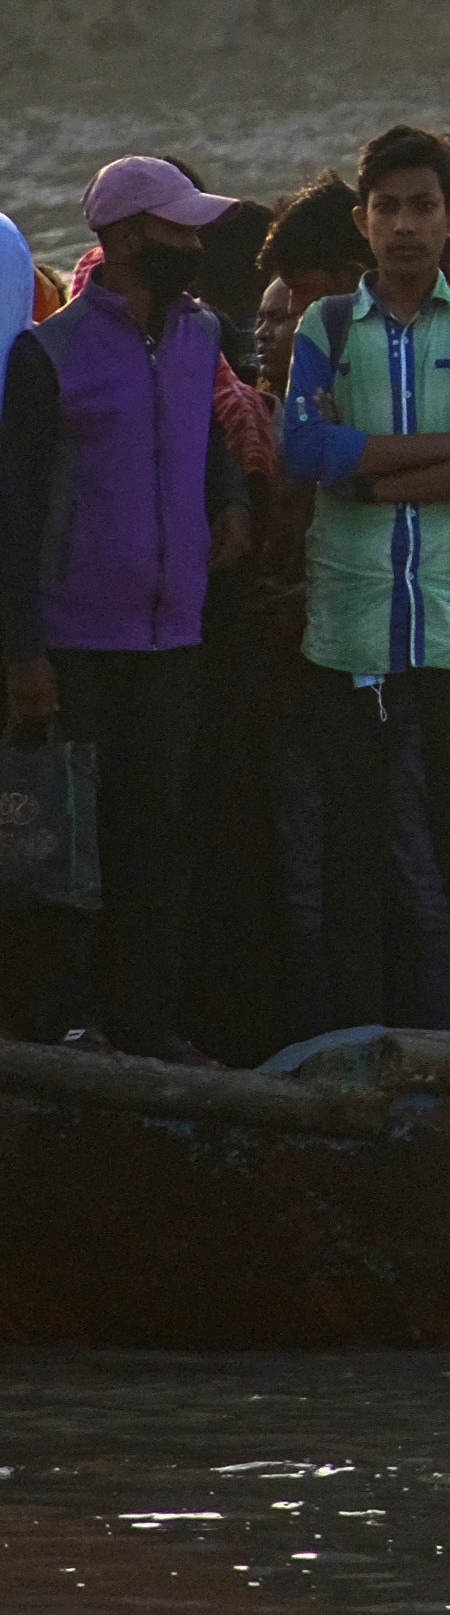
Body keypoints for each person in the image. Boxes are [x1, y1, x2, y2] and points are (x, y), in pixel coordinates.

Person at [284, 125, 450, 1035]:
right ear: (363, 219)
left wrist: (372, 478)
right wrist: (440, 448)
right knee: (354, 851)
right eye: (386, 207)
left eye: (423, 206)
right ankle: (359, 1043)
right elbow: (304, 448)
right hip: (350, 626)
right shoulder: (326, 326)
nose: (404, 225)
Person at [0, 157, 249, 1056]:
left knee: (159, 835)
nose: (194, 242)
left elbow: (209, 439)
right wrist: (22, 650)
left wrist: (231, 504)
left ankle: (145, 1021)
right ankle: (59, 1023)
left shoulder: (200, 333)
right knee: (65, 841)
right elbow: (15, 507)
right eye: (178, 229)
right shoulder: (49, 352)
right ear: (129, 237)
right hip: (74, 640)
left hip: (173, 634)